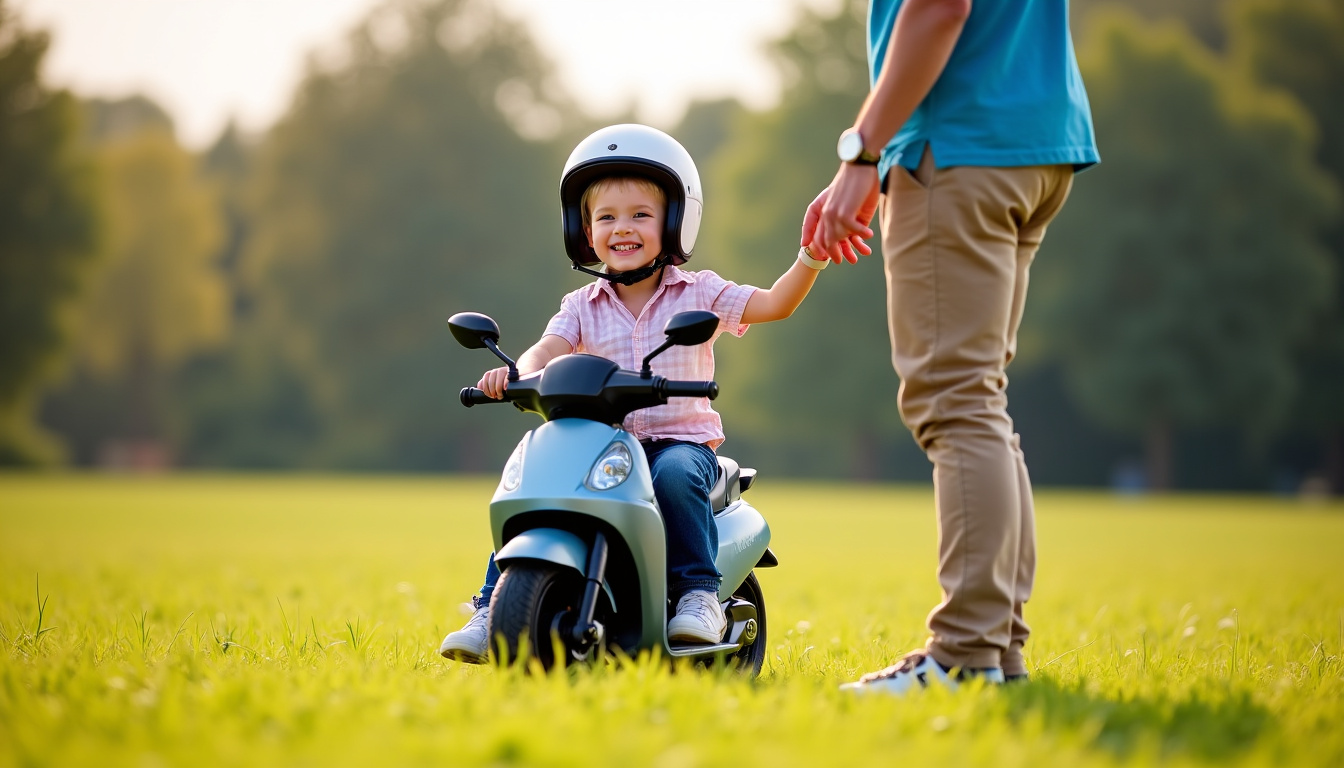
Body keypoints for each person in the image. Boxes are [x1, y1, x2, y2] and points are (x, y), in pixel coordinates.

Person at [440, 124, 860, 663]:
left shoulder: (699, 291)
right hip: (603, 447)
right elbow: (546, 348)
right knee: (539, 482)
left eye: (640, 214)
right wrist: (515, 373)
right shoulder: (580, 305)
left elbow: (775, 303)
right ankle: (492, 603)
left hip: (679, 445)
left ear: (675, 221)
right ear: (583, 229)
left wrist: (812, 254)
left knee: (674, 475)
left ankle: (698, 594)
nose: (622, 228)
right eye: (606, 217)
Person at [801, 0, 1099, 694]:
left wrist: (864, 152)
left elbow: (939, 9)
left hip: (960, 141)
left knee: (957, 402)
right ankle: (998, 651)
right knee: (980, 399)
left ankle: (965, 654)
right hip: (1034, 139)